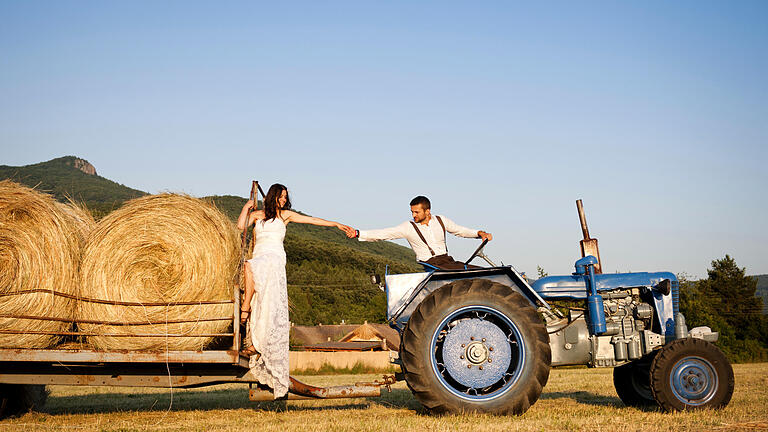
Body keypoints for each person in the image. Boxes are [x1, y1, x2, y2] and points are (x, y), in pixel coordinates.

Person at [236, 183, 354, 398]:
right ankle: (255, 341)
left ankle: (244, 310)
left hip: (274, 258)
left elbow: (313, 220)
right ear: (273, 196)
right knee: (260, 300)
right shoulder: (257, 215)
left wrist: (336, 224)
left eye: (285, 197)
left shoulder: (286, 216)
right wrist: (246, 207)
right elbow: (240, 227)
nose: (283, 200)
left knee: (250, 267)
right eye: (281, 196)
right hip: (260, 255)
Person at [353, 195, 492, 270]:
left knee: (480, 271)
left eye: (416, 212)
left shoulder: (440, 220)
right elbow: (384, 234)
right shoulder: (408, 227)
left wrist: (479, 233)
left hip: (448, 261)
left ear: (427, 211)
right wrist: (358, 233)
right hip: (432, 265)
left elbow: (460, 230)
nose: (413, 215)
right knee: (471, 272)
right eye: (412, 212)